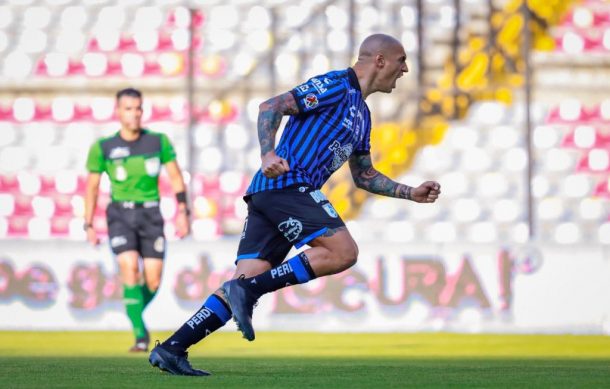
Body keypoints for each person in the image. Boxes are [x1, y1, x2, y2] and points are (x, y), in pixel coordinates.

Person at [148, 33, 441, 376]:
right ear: (379, 61)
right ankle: (247, 290)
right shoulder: (335, 85)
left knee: (245, 277)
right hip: (286, 184)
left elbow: (363, 176)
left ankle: (173, 348)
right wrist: (267, 153)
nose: (405, 68)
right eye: (401, 60)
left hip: (272, 195)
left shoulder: (361, 114)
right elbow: (270, 106)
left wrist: (411, 192)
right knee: (343, 252)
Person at [84, 87, 191, 352]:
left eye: (138, 108)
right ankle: (140, 334)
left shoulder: (158, 142)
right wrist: (88, 223)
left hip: (151, 214)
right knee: (129, 269)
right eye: (129, 108)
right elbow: (92, 188)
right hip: (120, 214)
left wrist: (182, 212)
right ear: (118, 111)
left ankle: (133, 308)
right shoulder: (103, 147)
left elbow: (176, 178)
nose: (135, 113)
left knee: (153, 281)